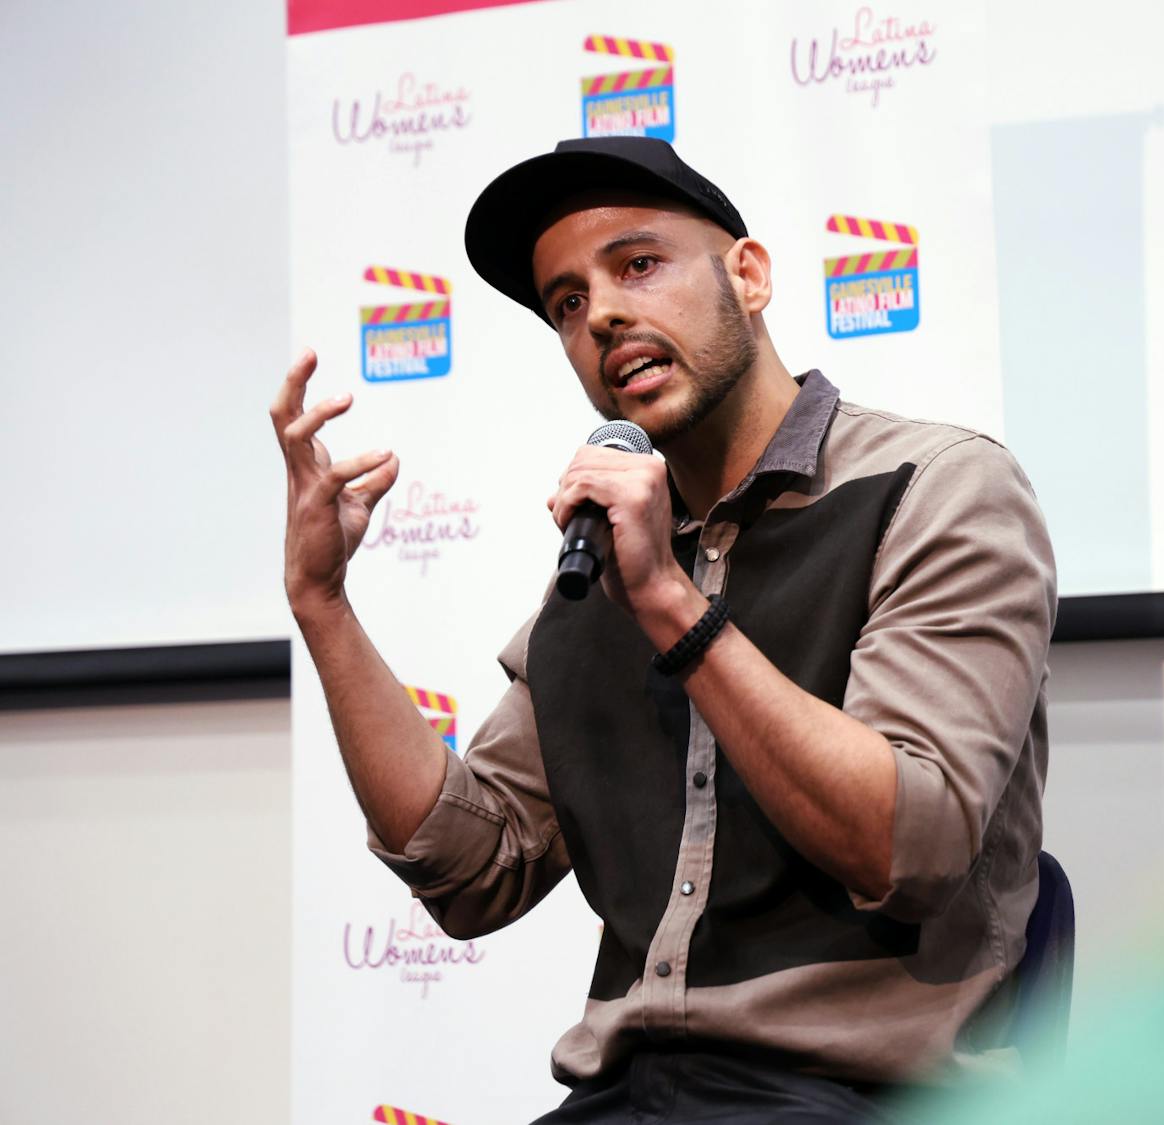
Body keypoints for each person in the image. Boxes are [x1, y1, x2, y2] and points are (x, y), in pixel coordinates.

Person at [270, 137, 1057, 1123]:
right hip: (626, 1097)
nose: (599, 313)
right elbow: (471, 871)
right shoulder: (605, 566)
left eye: (637, 264)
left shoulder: (935, 491)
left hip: (860, 1094)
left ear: (750, 275)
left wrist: (673, 608)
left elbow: (910, 842)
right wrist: (324, 606)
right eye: (565, 302)